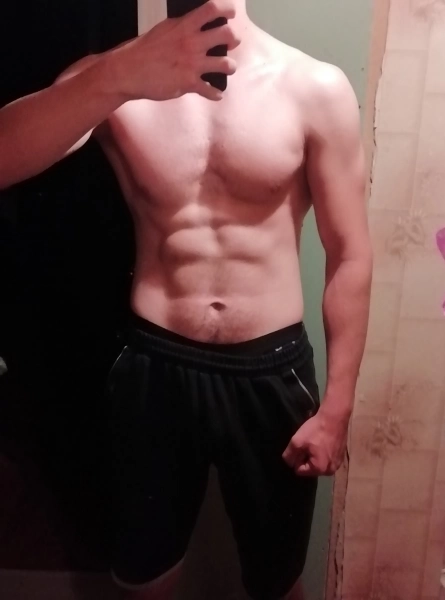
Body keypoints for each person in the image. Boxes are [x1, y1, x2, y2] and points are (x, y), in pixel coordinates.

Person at [0, 0, 373, 598]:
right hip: (154, 368)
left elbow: (349, 253)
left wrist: (337, 410)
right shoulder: (113, 77)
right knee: (145, 579)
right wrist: (117, 77)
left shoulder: (313, 88)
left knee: (278, 583)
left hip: (271, 372)